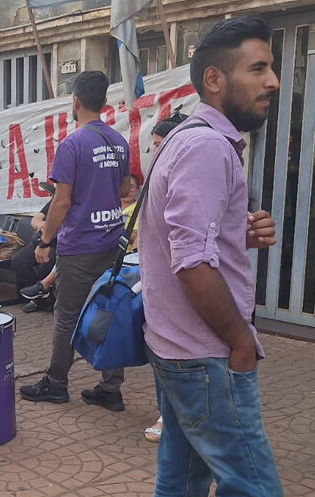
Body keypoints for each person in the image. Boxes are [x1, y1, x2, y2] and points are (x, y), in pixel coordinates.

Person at [138, 17, 282, 497]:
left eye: (271, 68)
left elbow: (189, 239)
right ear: (216, 79)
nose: (272, 81)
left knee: (183, 475)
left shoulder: (192, 139)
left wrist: (237, 231)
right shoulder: (206, 148)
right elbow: (192, 261)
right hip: (206, 354)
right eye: (259, 68)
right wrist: (238, 341)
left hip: (175, 349)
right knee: (255, 496)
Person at [19, 71, 133, 409]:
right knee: (109, 313)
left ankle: (56, 382)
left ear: (76, 101)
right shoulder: (119, 141)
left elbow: (63, 201)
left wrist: (44, 241)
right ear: (104, 103)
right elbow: (126, 189)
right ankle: (110, 389)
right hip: (112, 242)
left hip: (80, 245)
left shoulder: (72, 145)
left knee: (66, 316)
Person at [140, 111, 188, 443]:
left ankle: (172, 417)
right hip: (156, 282)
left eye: (162, 144)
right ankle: (167, 413)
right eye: (154, 145)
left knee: (178, 355)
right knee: (161, 351)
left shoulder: (186, 179)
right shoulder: (155, 178)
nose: (156, 151)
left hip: (182, 285)